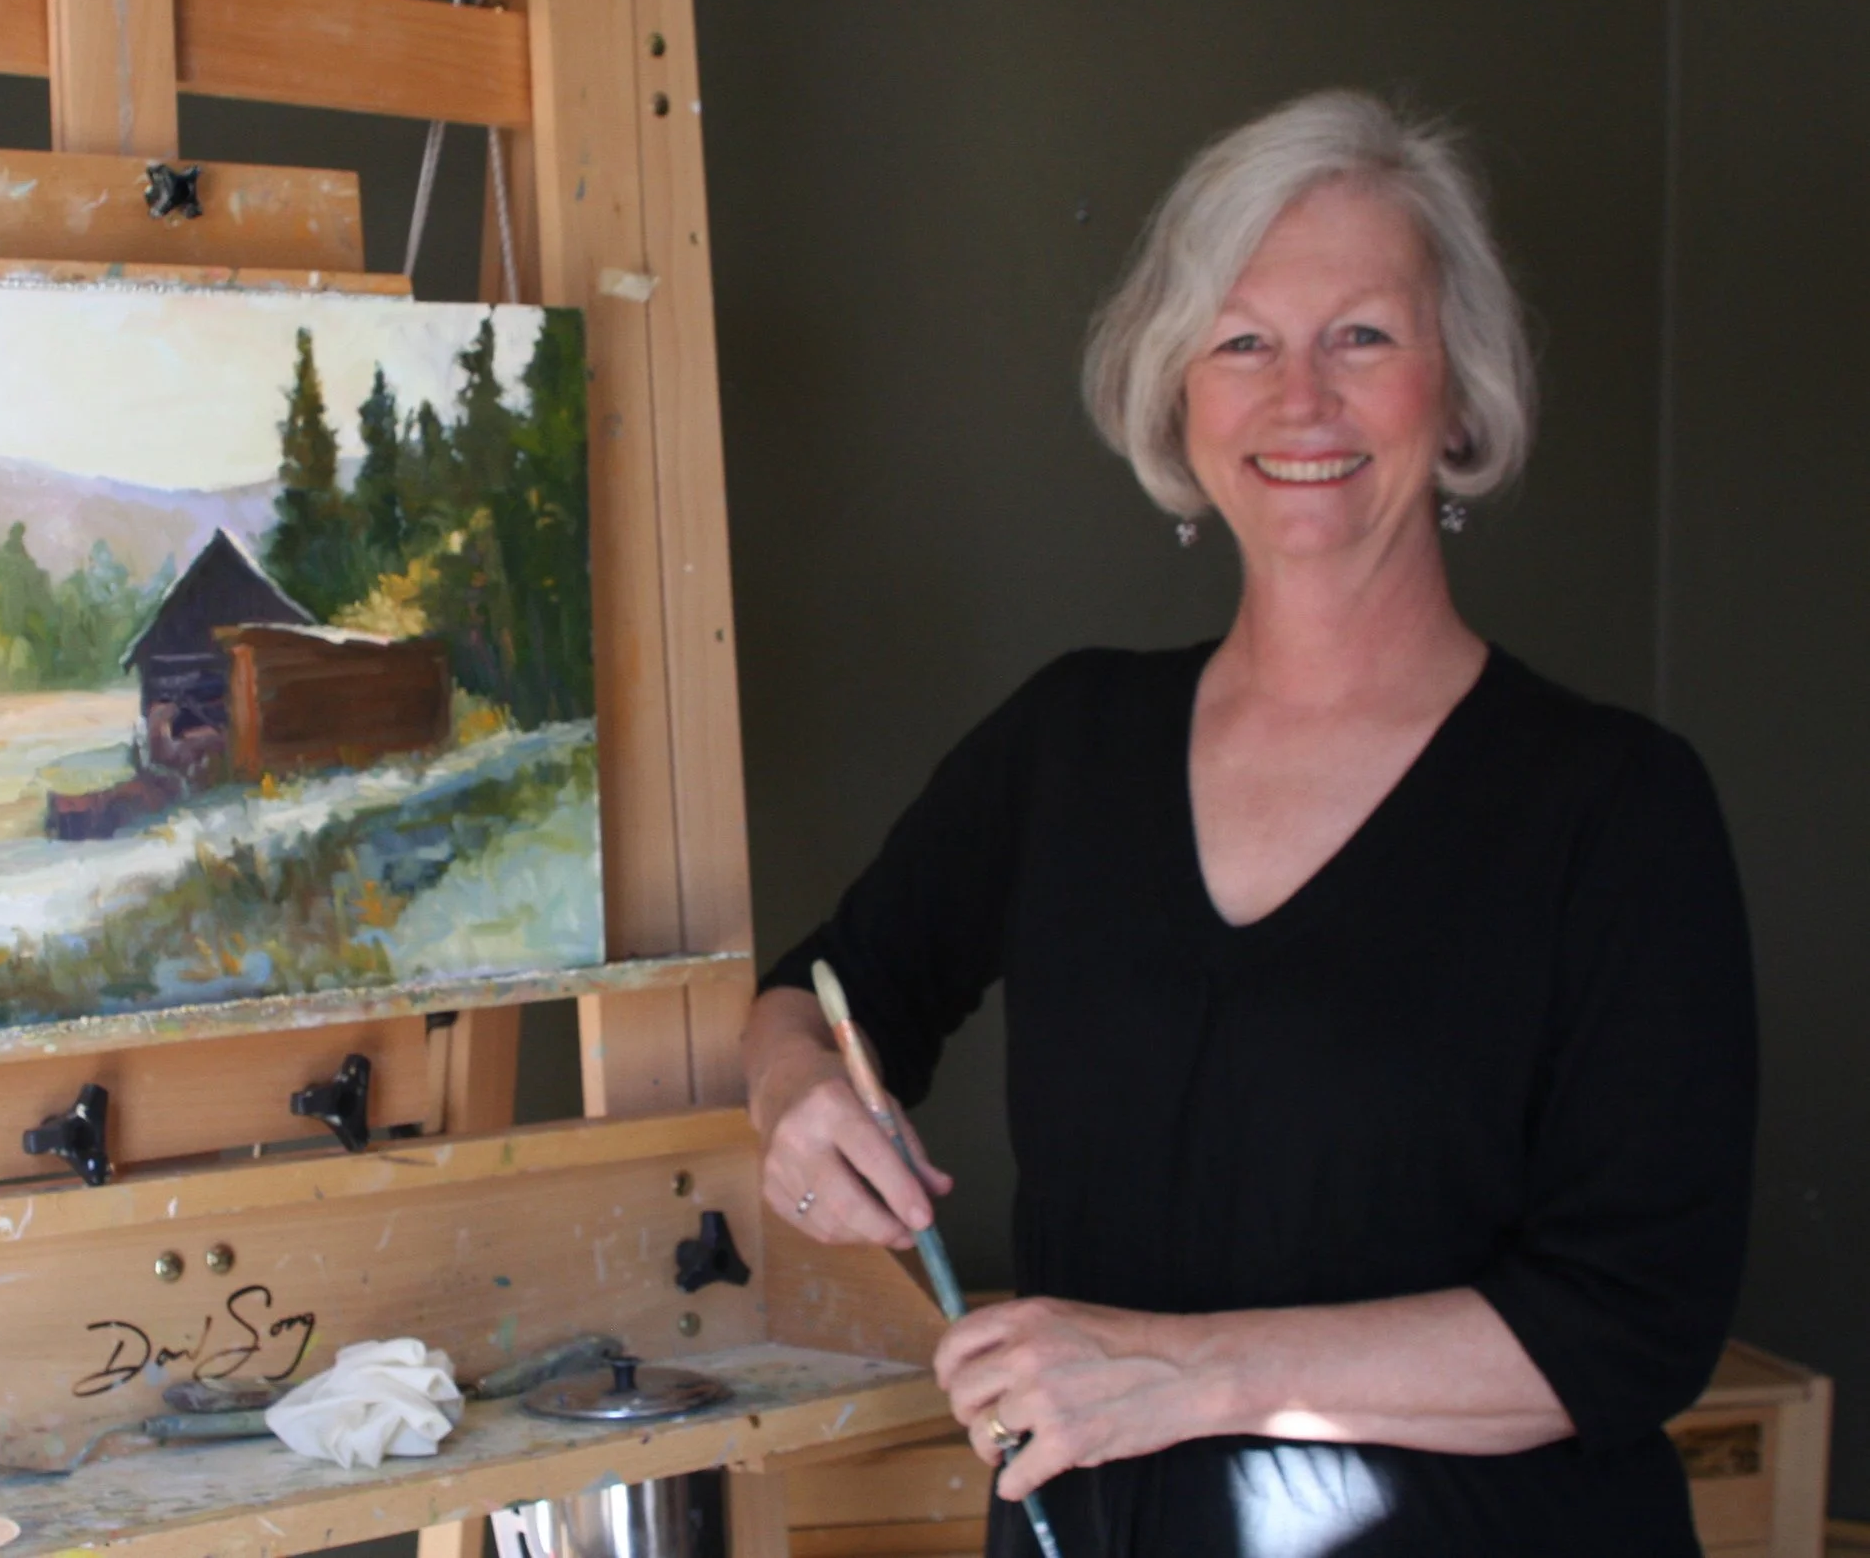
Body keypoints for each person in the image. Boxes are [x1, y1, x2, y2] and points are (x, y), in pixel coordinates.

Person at [742, 90, 1755, 1558]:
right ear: (1179, 399)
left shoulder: (1618, 809)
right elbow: (827, 986)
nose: (1301, 401)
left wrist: (1180, 1373)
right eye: (1242, 341)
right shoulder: (1068, 742)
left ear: (1459, 389)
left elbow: (1628, 1324)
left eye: (1363, 335)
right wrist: (795, 1101)